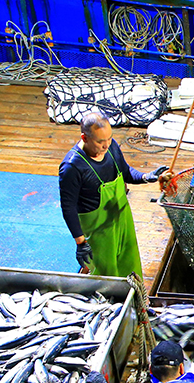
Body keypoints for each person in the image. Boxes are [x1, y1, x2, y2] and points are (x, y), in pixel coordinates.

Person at [58, 112, 166, 278]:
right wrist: (80, 242)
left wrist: (146, 177)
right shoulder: (72, 167)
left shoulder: (112, 147)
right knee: (105, 278)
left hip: (123, 221)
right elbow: (68, 207)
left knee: (131, 270)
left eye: (109, 138)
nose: (106, 145)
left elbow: (126, 172)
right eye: (100, 141)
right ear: (84, 138)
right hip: (99, 233)